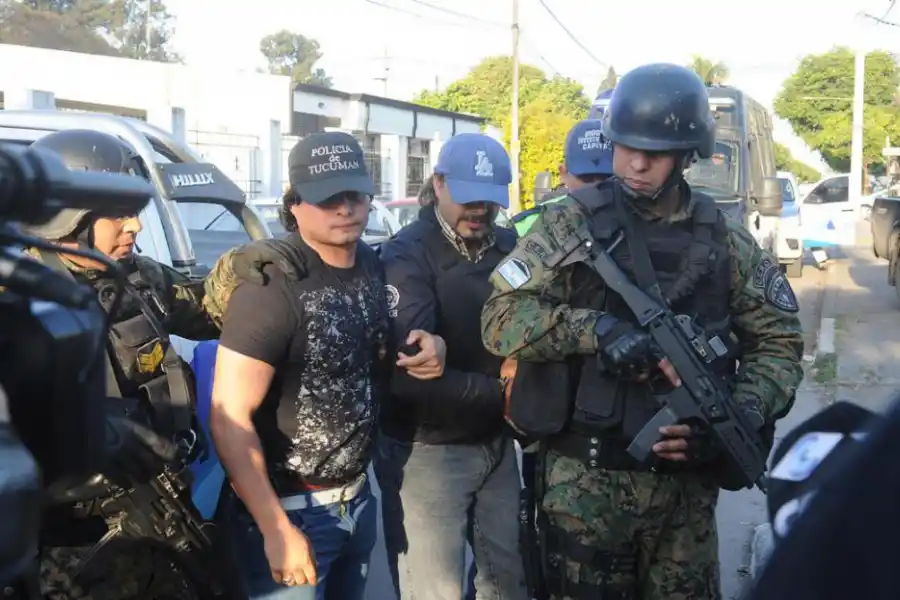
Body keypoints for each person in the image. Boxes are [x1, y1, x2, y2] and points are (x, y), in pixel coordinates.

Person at [481, 63, 805, 600]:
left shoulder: (724, 240)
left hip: (684, 503)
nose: (633, 163)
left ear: (686, 155)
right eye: (624, 147)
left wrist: (736, 413)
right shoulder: (569, 224)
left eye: (652, 153)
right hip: (584, 490)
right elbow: (500, 319)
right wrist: (594, 330)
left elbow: (780, 343)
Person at [204, 131, 447, 600]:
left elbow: (368, 355)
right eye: (328, 197)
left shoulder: (373, 267)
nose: (345, 207)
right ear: (294, 204)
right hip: (292, 510)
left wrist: (432, 346)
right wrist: (275, 528)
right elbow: (227, 417)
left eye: (354, 194)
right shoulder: (271, 286)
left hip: (356, 499)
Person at [16, 129, 223, 596]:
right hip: (73, 547)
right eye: (118, 214)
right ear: (65, 218)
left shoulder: (139, 278)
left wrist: (251, 268)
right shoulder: (17, 303)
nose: (135, 226)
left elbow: (209, 307)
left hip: (160, 505)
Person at [374, 133, 528, 600]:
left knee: (507, 584)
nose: (479, 210)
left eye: (489, 200)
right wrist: (504, 392)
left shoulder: (508, 244)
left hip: (496, 446)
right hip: (428, 452)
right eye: (467, 198)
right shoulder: (405, 254)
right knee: (433, 593)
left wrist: (523, 360)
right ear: (437, 184)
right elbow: (412, 378)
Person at [511, 119, 614, 236]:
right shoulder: (525, 227)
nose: (596, 189)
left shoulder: (636, 219)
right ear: (563, 174)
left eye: (607, 179)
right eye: (587, 179)